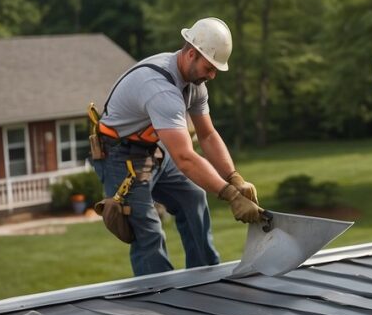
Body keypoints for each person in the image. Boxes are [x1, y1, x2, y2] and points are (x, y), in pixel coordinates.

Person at [92, 17, 269, 276]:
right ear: (190, 54)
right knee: (148, 232)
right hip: (120, 156)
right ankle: (160, 298)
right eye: (209, 67)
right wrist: (230, 195)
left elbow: (207, 135)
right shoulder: (160, 88)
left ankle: (206, 277)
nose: (213, 75)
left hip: (152, 150)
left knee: (193, 198)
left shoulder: (194, 86)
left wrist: (234, 177)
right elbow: (185, 157)